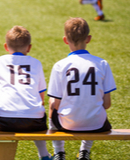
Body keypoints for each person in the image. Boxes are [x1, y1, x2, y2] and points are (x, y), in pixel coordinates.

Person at [48, 17, 116, 160]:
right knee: (93, 106)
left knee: (51, 103)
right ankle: (85, 151)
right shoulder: (102, 63)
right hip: (96, 124)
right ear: (88, 38)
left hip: (67, 123)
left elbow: (56, 105)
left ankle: (59, 152)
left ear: (65, 40)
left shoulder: (60, 66)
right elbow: (107, 104)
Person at [0, 26, 51, 160]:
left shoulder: (0, 61)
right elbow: (41, 96)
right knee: (37, 111)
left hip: (4, 119)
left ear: (6, 47)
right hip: (34, 121)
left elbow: (0, 89)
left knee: (3, 113)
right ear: (29, 47)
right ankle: (44, 155)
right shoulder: (36, 63)